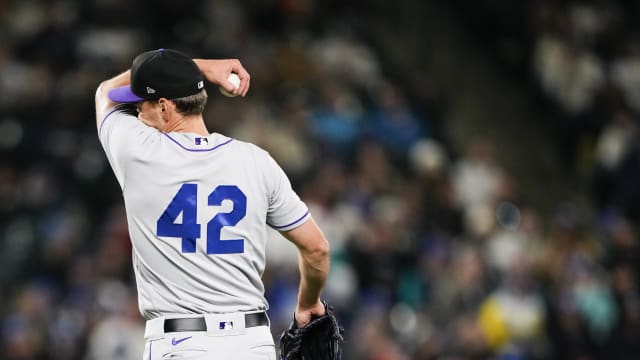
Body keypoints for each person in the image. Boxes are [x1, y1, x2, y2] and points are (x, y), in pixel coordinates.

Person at [94, 48, 330, 359]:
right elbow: (317, 249)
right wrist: (308, 302)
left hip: (180, 343)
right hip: (251, 343)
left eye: (142, 103)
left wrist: (202, 67)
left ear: (165, 107)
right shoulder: (256, 162)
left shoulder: (138, 152)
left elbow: (105, 93)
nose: (137, 110)